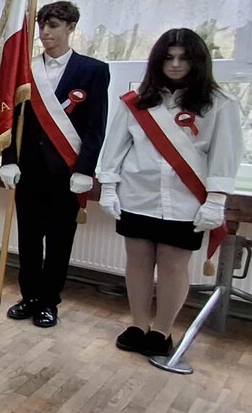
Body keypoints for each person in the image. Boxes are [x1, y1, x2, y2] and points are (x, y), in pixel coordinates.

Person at [98, 29, 242, 357]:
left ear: (198, 61)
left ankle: (162, 330)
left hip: (185, 201)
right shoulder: (136, 102)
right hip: (137, 196)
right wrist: (108, 188)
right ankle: (138, 325)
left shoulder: (220, 104)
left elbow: (225, 155)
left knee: (173, 265)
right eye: (168, 58)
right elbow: (115, 147)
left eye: (183, 58)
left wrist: (216, 200)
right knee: (138, 262)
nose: (175, 64)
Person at [0, 1, 109, 329]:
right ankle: (29, 297)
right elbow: (11, 119)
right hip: (29, 171)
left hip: (66, 172)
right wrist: (9, 160)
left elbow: (95, 126)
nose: (45, 32)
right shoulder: (25, 70)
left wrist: (85, 169)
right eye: (42, 26)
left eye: (54, 26)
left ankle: (49, 302)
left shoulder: (93, 70)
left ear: (71, 27)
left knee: (59, 241)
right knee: (29, 240)